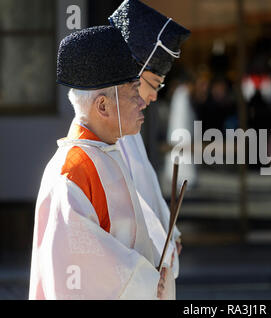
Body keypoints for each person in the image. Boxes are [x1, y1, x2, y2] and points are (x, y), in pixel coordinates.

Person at [29, 25, 171, 299]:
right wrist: (146, 282)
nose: (142, 103)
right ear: (103, 106)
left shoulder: (106, 152)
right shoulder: (72, 171)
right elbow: (78, 270)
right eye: (133, 92)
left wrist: (156, 270)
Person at [108, 0, 191, 297]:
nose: (154, 96)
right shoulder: (106, 135)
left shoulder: (127, 131)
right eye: (153, 84)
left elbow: (146, 188)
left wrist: (170, 236)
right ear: (133, 74)